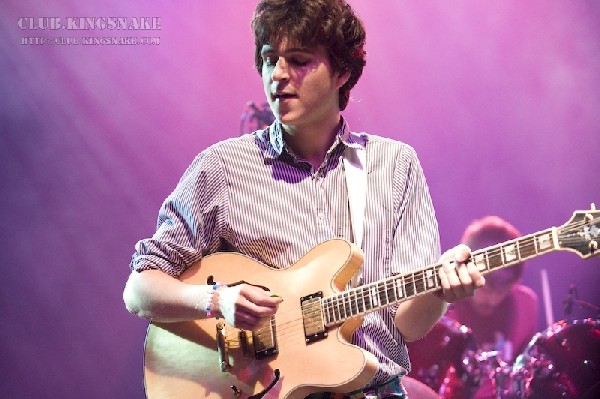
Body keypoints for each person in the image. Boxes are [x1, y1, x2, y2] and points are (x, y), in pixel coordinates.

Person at [122, 1, 486, 398]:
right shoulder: (221, 168)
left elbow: (409, 326)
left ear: (342, 73)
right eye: (268, 59)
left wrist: (439, 290)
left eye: (297, 60)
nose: (277, 75)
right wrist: (216, 299)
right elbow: (140, 290)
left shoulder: (395, 165)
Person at [408, 216, 539, 399]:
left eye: (505, 284)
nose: (493, 295)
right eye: (488, 282)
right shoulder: (441, 308)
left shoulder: (526, 304)